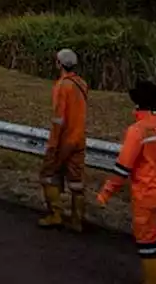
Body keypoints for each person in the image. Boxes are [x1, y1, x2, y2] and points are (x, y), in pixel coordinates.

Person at [95, 80, 156, 284]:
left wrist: (106, 193)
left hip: (147, 195)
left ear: (137, 104)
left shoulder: (137, 131)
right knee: (153, 237)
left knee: (146, 242)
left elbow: (123, 168)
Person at [38, 48, 89, 232]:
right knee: (76, 182)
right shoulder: (81, 84)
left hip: (63, 140)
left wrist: (54, 145)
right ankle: (77, 220)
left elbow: (59, 118)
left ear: (59, 63)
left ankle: (55, 214)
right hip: (79, 139)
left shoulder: (62, 86)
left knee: (48, 175)